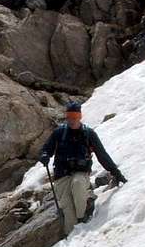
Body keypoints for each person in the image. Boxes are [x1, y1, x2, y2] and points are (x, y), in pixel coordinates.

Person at [39, 101, 127, 236]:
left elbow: (102, 155)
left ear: (79, 117)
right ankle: (73, 238)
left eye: (74, 117)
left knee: (78, 184)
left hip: (80, 174)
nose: (72, 121)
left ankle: (84, 214)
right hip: (61, 176)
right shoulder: (59, 133)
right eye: (69, 118)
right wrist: (44, 155)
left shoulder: (88, 134)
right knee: (68, 213)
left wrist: (116, 173)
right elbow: (46, 149)